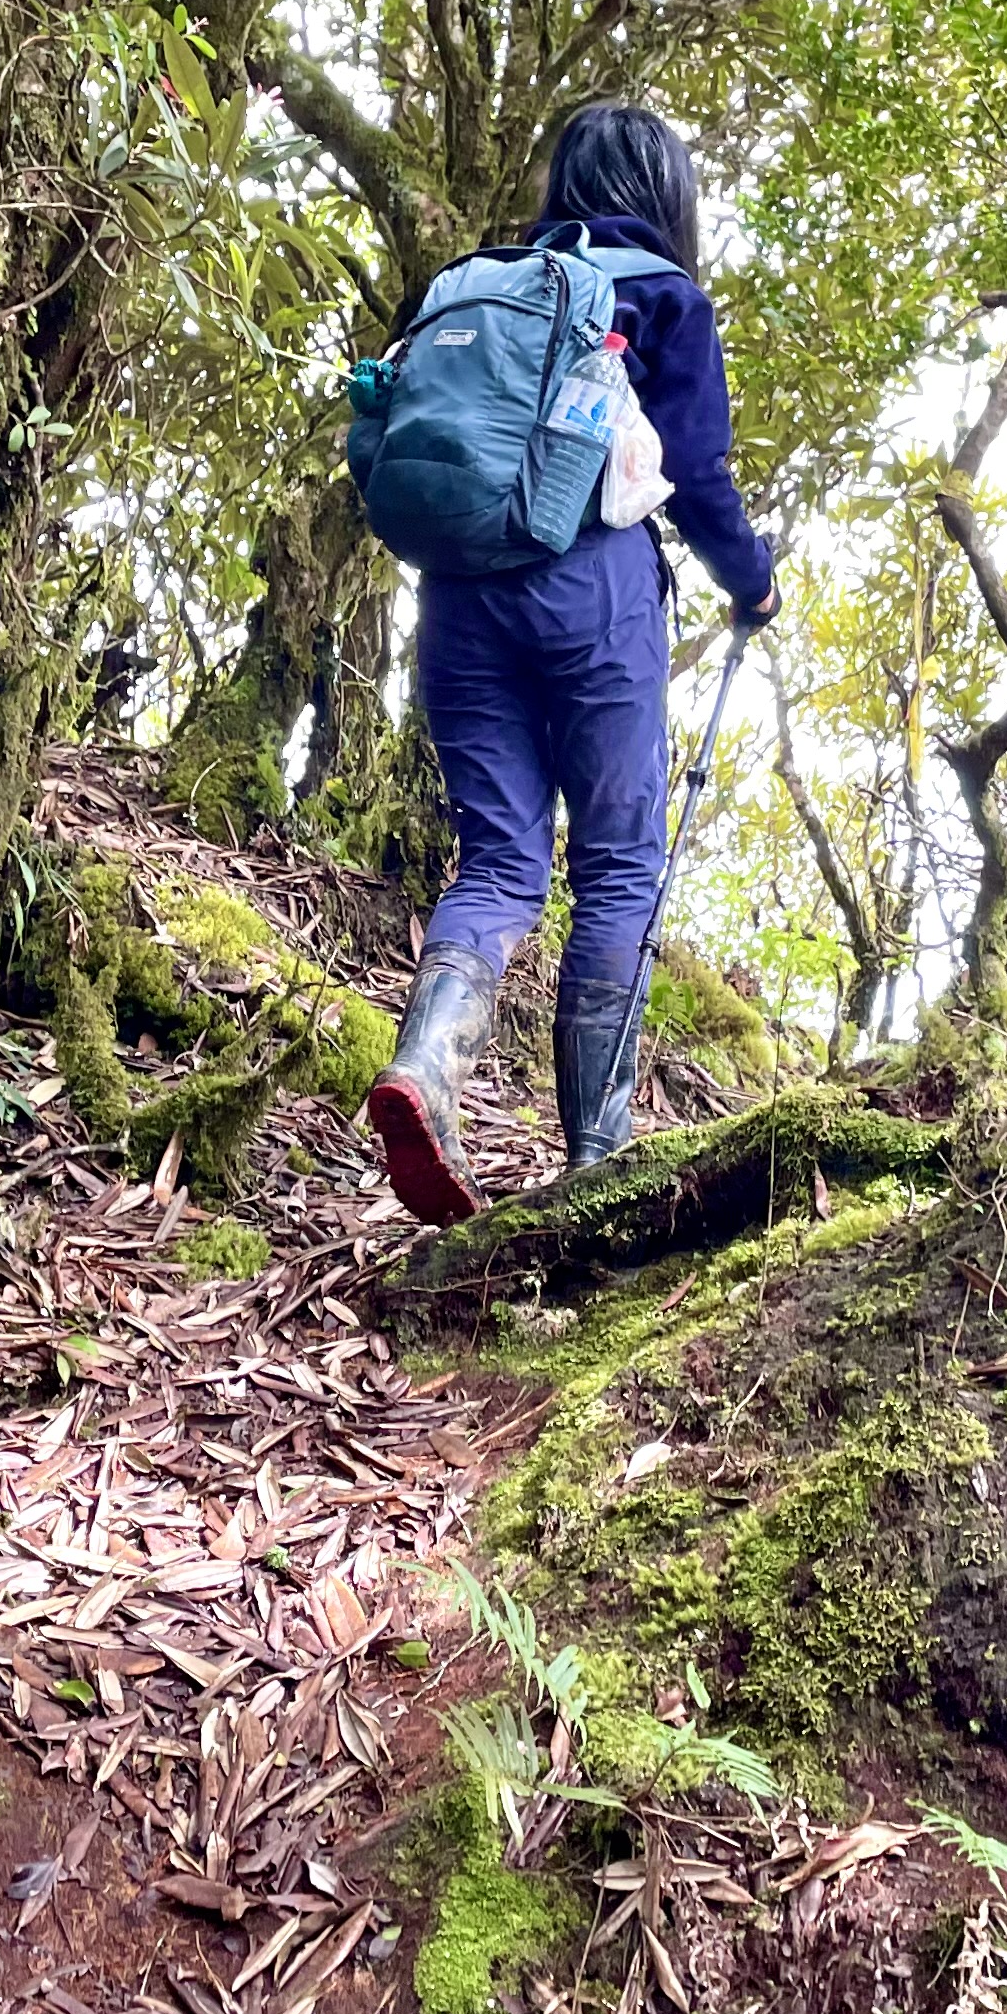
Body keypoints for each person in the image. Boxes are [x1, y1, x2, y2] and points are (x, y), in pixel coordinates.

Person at [364, 103, 777, 1224]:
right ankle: (598, 1164)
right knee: (617, 869)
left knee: (498, 864)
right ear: (665, 192)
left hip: (459, 598)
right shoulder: (661, 297)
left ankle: (425, 1073)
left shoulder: (476, 283)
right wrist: (756, 582)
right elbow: (693, 476)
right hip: (593, 591)